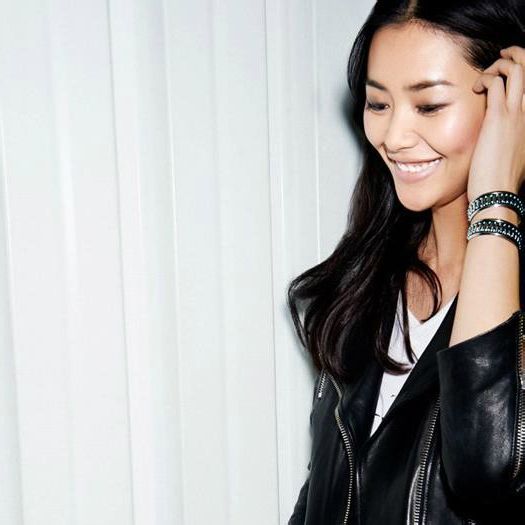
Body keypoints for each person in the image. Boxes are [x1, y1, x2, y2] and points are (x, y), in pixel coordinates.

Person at [286, 0, 525, 523]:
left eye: (429, 105)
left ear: (512, 104)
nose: (393, 137)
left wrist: (495, 200)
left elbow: (483, 469)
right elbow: (320, 495)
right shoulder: (364, 280)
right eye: (378, 104)